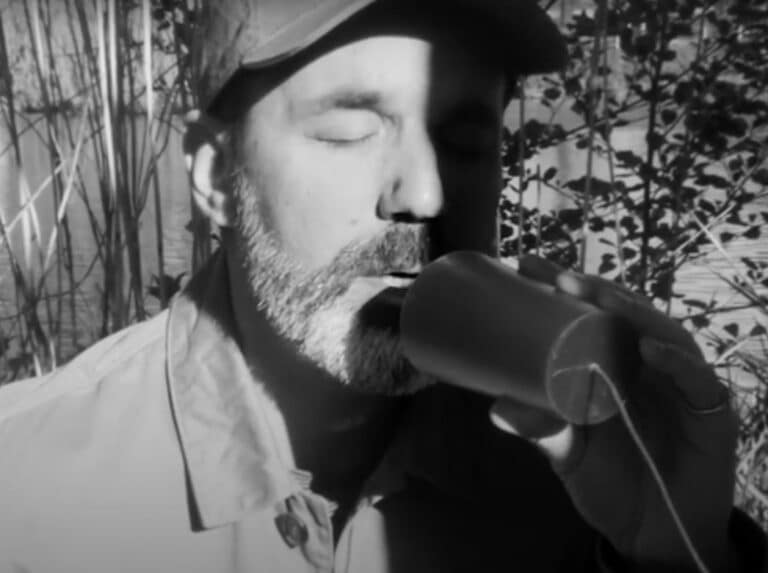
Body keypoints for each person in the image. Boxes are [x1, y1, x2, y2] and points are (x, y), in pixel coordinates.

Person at [0, 0, 765, 571]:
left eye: (466, 141)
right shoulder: (26, 499)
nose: (426, 193)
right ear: (217, 178)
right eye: (350, 130)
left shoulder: (569, 478)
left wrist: (675, 551)